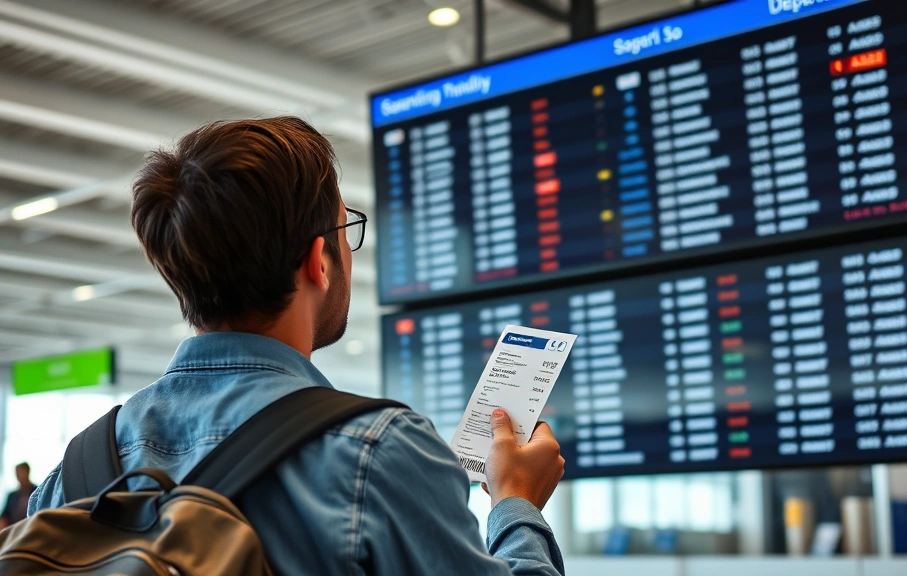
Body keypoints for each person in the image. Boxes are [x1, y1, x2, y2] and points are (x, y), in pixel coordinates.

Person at [28, 117, 565, 575]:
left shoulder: (73, 474)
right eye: (344, 228)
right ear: (318, 260)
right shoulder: (376, 453)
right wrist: (515, 501)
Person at [1, 463, 35, 528]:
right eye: (18, 473)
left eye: (22, 472)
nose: (20, 476)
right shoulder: (12, 495)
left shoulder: (36, 492)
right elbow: (4, 515)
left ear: (28, 472)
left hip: (30, 528)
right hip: (12, 530)